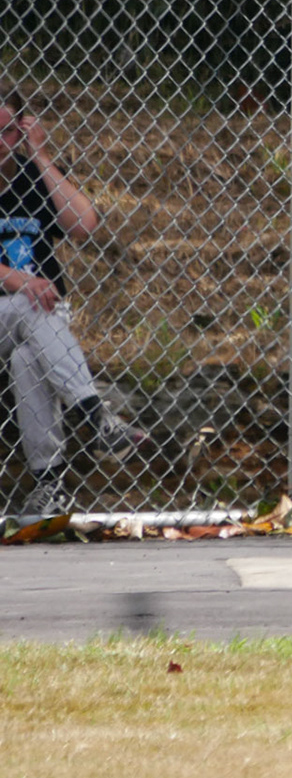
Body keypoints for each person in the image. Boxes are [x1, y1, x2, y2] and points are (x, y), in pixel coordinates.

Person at [0, 87, 148, 515]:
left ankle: (50, 484)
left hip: (39, 320)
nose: (0, 142)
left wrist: (41, 156)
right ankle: (96, 416)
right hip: (19, 307)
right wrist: (20, 280)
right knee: (30, 302)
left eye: (8, 131)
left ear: (23, 131)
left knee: (27, 359)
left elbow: (83, 223)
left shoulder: (33, 175)